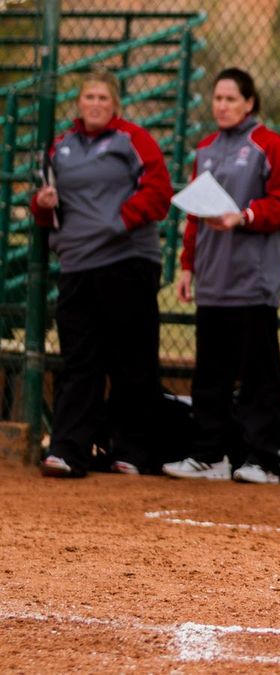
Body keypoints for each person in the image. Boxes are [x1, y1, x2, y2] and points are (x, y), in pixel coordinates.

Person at [30, 68, 172, 478]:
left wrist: (118, 222)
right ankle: (69, 450)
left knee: (133, 359)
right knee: (79, 360)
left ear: (115, 105)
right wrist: (42, 202)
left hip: (126, 261)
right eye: (89, 97)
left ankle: (132, 451)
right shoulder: (60, 146)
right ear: (79, 103)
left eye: (103, 98)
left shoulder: (133, 139)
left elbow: (159, 193)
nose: (95, 104)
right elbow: (43, 212)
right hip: (77, 265)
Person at [162, 68, 280, 484]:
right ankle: (211, 454)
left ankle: (263, 459)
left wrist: (245, 216)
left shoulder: (268, 144)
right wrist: (188, 265)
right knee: (210, 373)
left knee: (259, 373)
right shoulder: (204, 148)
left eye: (230, 99)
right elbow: (194, 214)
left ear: (249, 103)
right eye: (217, 98)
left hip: (253, 282)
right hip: (213, 279)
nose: (221, 105)